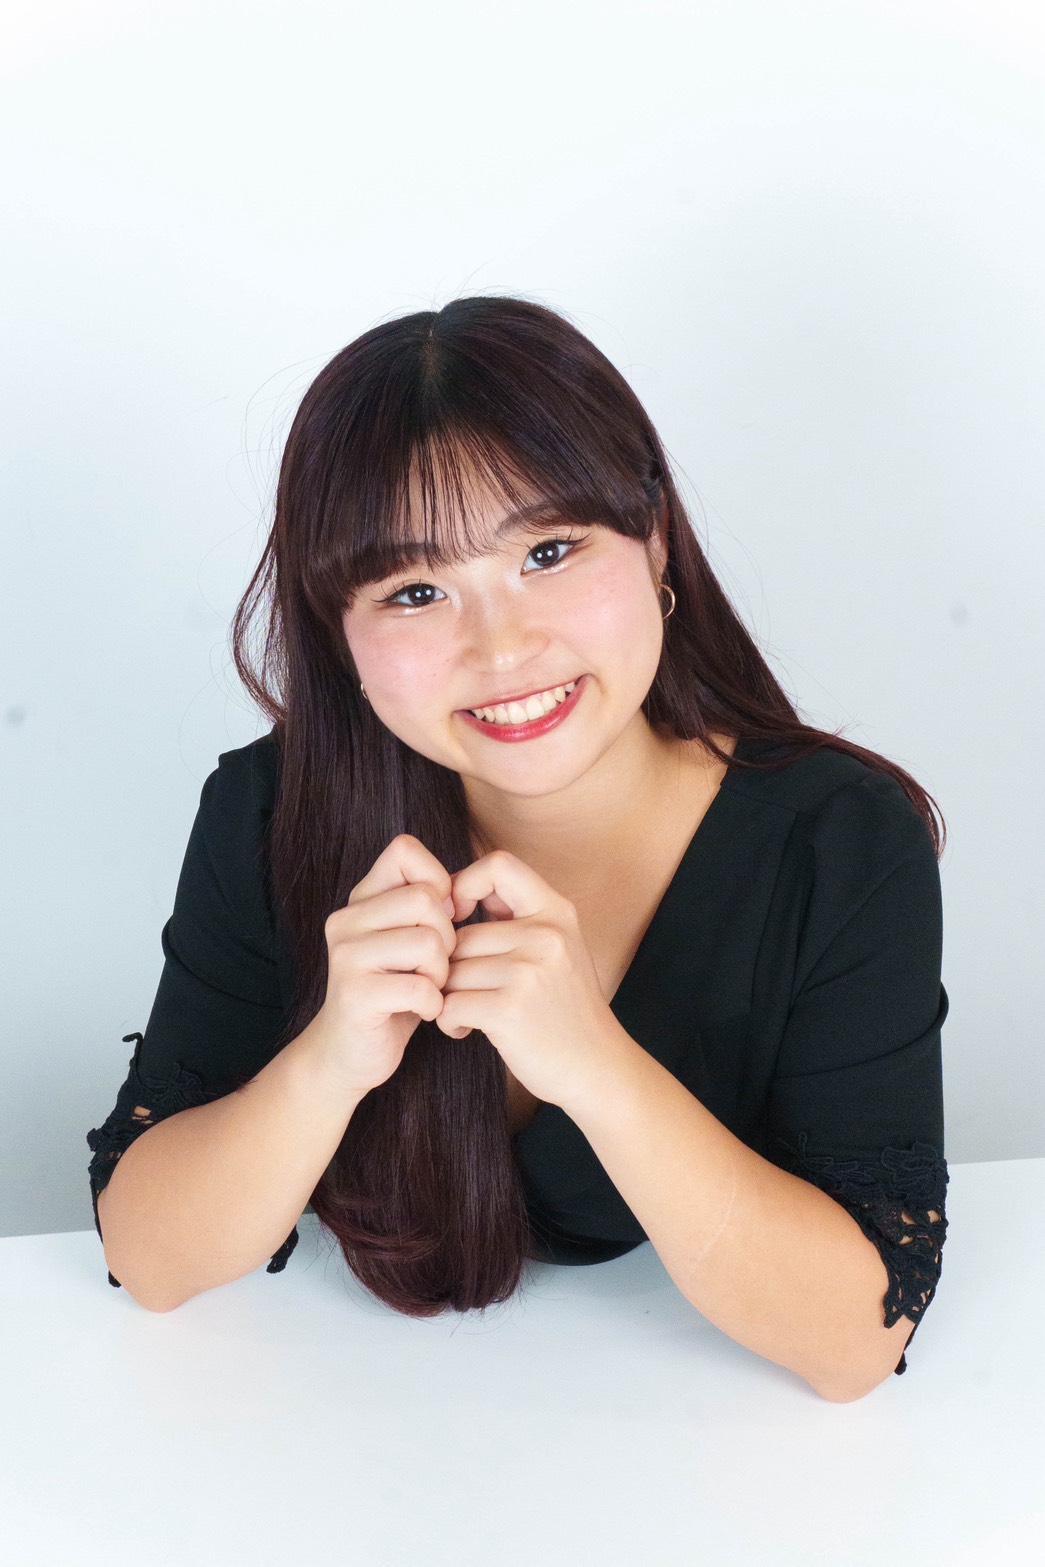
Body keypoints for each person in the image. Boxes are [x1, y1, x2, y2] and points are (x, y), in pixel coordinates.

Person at [86, 295, 949, 1402]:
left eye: (548, 551)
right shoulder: (271, 813)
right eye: (415, 591)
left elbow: (855, 1342)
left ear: (653, 538)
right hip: (340, 1422)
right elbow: (151, 1260)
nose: (501, 648)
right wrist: (330, 1058)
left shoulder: (837, 844)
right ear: (337, 633)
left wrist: (594, 1062)